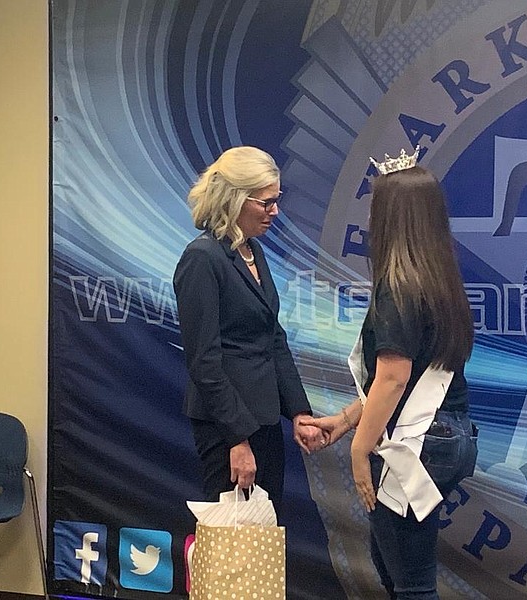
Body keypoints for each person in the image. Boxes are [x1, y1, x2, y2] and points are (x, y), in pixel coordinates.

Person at [300, 149, 477, 600]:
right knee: (394, 565)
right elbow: (414, 382)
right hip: (448, 433)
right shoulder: (440, 280)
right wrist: (344, 420)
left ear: (389, 218)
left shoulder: (397, 288)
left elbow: (395, 379)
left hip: (417, 442)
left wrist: (360, 451)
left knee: (411, 583)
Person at [173, 146, 325, 516]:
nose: (275, 211)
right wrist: (237, 440)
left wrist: (300, 412)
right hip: (227, 429)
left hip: (266, 420)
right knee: (232, 554)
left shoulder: (252, 251)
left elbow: (273, 340)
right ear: (235, 199)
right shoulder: (203, 258)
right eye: (266, 202)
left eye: (277, 200)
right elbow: (204, 361)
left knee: (262, 545)